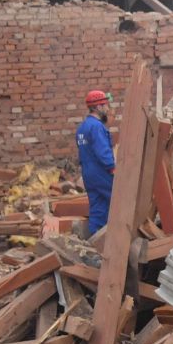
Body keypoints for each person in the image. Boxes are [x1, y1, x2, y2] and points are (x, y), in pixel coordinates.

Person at [75, 88, 115, 236]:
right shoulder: (97, 127)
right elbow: (103, 151)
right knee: (119, 203)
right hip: (101, 173)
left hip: (88, 173)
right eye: (106, 105)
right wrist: (113, 168)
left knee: (98, 206)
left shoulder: (82, 128)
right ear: (98, 107)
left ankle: (95, 240)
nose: (108, 108)